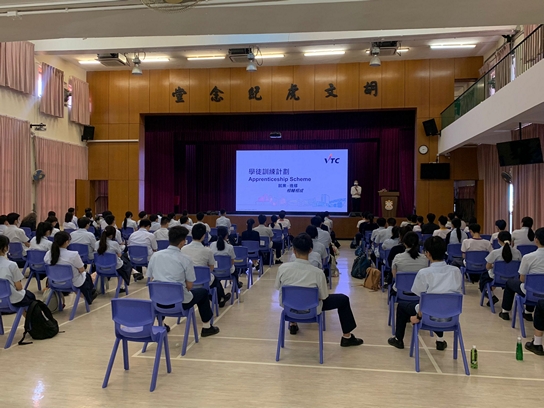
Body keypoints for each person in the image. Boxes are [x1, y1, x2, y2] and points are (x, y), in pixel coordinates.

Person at [275, 233, 364, 346]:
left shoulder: (282, 268)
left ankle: (293, 323)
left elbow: (278, 287)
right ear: (310, 250)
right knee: (343, 299)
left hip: (289, 307)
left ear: (293, 250)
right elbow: (323, 296)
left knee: (294, 295)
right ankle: (347, 337)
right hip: (312, 309)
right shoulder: (318, 273)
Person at [388, 236, 463, 350]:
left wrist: (418, 317)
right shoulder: (456, 271)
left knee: (402, 307)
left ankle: (398, 339)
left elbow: (420, 297)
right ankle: (440, 340)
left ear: (427, 254)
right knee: (441, 303)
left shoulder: (424, 273)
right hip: (451, 316)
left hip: (428, 314)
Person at [146, 226, 219, 337]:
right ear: (182, 242)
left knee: (160, 290)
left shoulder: (155, 256)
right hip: (179, 302)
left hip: (158, 302)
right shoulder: (185, 259)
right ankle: (207, 327)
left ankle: (162, 324)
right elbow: (189, 286)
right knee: (203, 293)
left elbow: (151, 279)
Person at [181, 223, 231, 307]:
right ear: (204, 235)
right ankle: (220, 298)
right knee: (215, 280)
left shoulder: (183, 249)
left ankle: (218, 298)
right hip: (203, 280)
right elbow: (211, 267)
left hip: (187, 281)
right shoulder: (207, 250)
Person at [499, 228, 544, 321]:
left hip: (531, 292)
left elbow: (522, 279)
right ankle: (528, 312)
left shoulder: (528, 257)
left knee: (511, 283)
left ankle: (505, 311)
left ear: (536, 240)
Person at [44, 232, 98, 305]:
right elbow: (82, 270)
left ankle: (89, 294)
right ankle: (89, 295)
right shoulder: (73, 254)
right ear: (67, 242)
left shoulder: (48, 254)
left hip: (53, 282)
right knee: (86, 276)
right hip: (70, 283)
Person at [479, 231, 522, 305]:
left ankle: (490, 294)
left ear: (498, 240)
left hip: (497, 278)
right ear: (511, 240)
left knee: (484, 277)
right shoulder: (517, 252)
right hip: (513, 278)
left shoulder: (495, 252)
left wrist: (494, 266)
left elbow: (488, 267)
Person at [0, 235, 37, 309]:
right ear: (5, 248)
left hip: (2, 301)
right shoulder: (11, 265)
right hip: (10, 300)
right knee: (30, 297)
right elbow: (19, 287)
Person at [96, 226, 131, 292]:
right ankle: (121, 286)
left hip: (100, 268)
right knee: (126, 264)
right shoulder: (114, 243)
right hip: (114, 268)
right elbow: (119, 255)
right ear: (112, 235)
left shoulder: (97, 243)